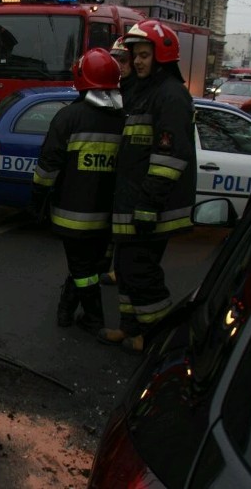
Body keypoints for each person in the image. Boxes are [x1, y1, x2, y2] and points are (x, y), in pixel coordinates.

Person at [98, 20, 197, 353]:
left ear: (162, 55)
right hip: (133, 203)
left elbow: (170, 156)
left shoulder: (170, 96)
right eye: (135, 55)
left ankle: (160, 337)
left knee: (141, 272)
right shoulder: (143, 91)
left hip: (153, 208)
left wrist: (148, 205)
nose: (137, 61)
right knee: (126, 270)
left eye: (143, 55)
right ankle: (129, 329)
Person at [30, 48, 125, 334]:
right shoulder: (125, 119)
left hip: (71, 215)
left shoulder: (68, 118)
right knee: (89, 265)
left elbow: (48, 167)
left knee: (83, 270)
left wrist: (37, 201)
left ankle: (92, 317)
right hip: (107, 216)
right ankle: (66, 310)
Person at [99, 38, 138, 286]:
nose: (119, 65)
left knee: (124, 229)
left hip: (129, 175)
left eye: (123, 60)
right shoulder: (114, 88)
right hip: (114, 171)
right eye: (116, 60)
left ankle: (118, 270)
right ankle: (106, 267)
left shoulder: (138, 92)